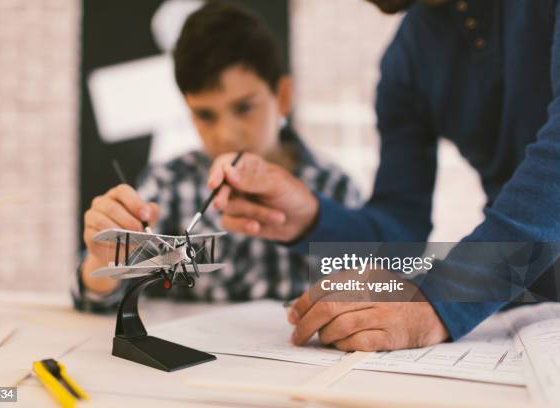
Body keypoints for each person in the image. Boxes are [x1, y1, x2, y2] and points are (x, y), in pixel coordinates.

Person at [207, 0, 560, 351]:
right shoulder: (406, 60)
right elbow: (400, 240)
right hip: (530, 311)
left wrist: (441, 299)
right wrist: (310, 217)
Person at [72, 0, 361, 312]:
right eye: (205, 115)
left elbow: (377, 293)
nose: (226, 134)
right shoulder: (168, 184)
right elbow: (97, 305)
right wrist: (103, 261)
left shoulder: (335, 188)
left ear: (283, 96)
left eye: (244, 107)